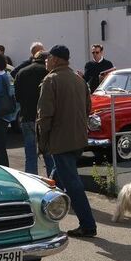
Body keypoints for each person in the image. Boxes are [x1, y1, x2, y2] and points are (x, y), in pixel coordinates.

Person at [37, 45, 97, 237]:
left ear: (55, 59)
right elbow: (88, 109)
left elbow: (45, 116)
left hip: (60, 141)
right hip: (78, 139)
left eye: (48, 58)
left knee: (72, 183)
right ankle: (44, 212)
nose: (45, 61)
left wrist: (42, 142)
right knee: (54, 180)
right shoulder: (79, 80)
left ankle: (88, 225)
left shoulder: (51, 80)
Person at [14, 50, 54, 175]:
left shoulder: (21, 72)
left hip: (27, 115)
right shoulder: (49, 73)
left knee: (30, 153)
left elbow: (17, 97)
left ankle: (32, 180)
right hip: (45, 117)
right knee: (49, 154)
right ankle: (54, 182)